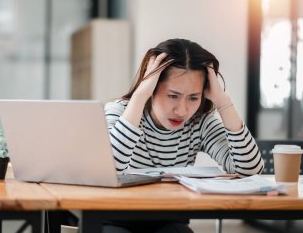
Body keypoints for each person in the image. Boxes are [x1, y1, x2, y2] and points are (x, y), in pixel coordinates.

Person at [103, 38, 265, 233]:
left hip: (169, 221)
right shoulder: (119, 112)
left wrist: (223, 102)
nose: (182, 110)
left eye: (193, 97)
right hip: (115, 218)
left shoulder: (200, 121)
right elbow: (110, 171)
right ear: (152, 88)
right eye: (173, 96)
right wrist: (139, 96)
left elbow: (250, 170)